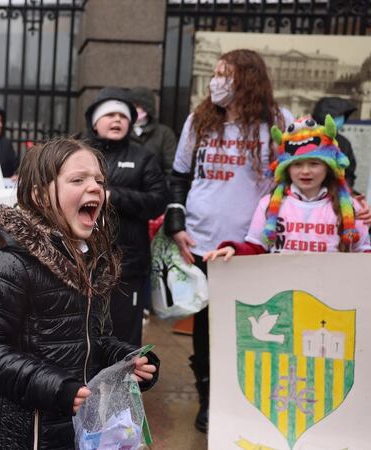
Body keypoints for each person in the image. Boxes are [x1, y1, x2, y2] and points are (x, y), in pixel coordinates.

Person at [0, 138, 159, 450]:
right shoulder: (11, 259)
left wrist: (125, 361)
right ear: (40, 196)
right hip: (23, 439)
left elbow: (96, 338)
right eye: (78, 180)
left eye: (99, 180)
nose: (95, 187)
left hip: (79, 433)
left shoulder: (92, 259)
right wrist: (56, 388)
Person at [163, 49, 293, 433]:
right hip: (203, 241)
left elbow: (298, 173)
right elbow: (179, 176)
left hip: (253, 245)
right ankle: (209, 399)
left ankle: (252, 398)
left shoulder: (277, 121)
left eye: (226, 74)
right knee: (206, 326)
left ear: (247, 79)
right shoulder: (200, 120)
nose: (216, 81)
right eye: (215, 73)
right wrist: (176, 222)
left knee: (256, 324)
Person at [203, 115, 370, 261]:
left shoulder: (352, 207)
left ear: (328, 167)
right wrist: (234, 250)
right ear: (286, 168)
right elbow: (256, 248)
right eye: (296, 164)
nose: (305, 171)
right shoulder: (268, 204)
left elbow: (363, 253)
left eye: (314, 163)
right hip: (285, 291)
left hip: (332, 291)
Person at [84, 88, 168, 347]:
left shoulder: (144, 157)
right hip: (82, 262)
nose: (117, 120)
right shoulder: (77, 153)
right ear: (95, 122)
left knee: (123, 336)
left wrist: (114, 196)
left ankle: (123, 385)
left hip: (127, 265)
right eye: (109, 114)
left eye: (123, 116)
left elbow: (158, 201)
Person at [128, 87, 178, 180]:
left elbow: (170, 168)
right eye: (132, 106)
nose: (135, 110)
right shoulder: (121, 131)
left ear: (147, 108)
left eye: (138, 106)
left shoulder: (164, 133)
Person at [312, 96, 358, 191]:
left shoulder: (343, 142)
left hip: (336, 194)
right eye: (337, 116)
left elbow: (349, 172)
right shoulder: (305, 138)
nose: (341, 119)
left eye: (342, 116)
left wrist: (345, 192)